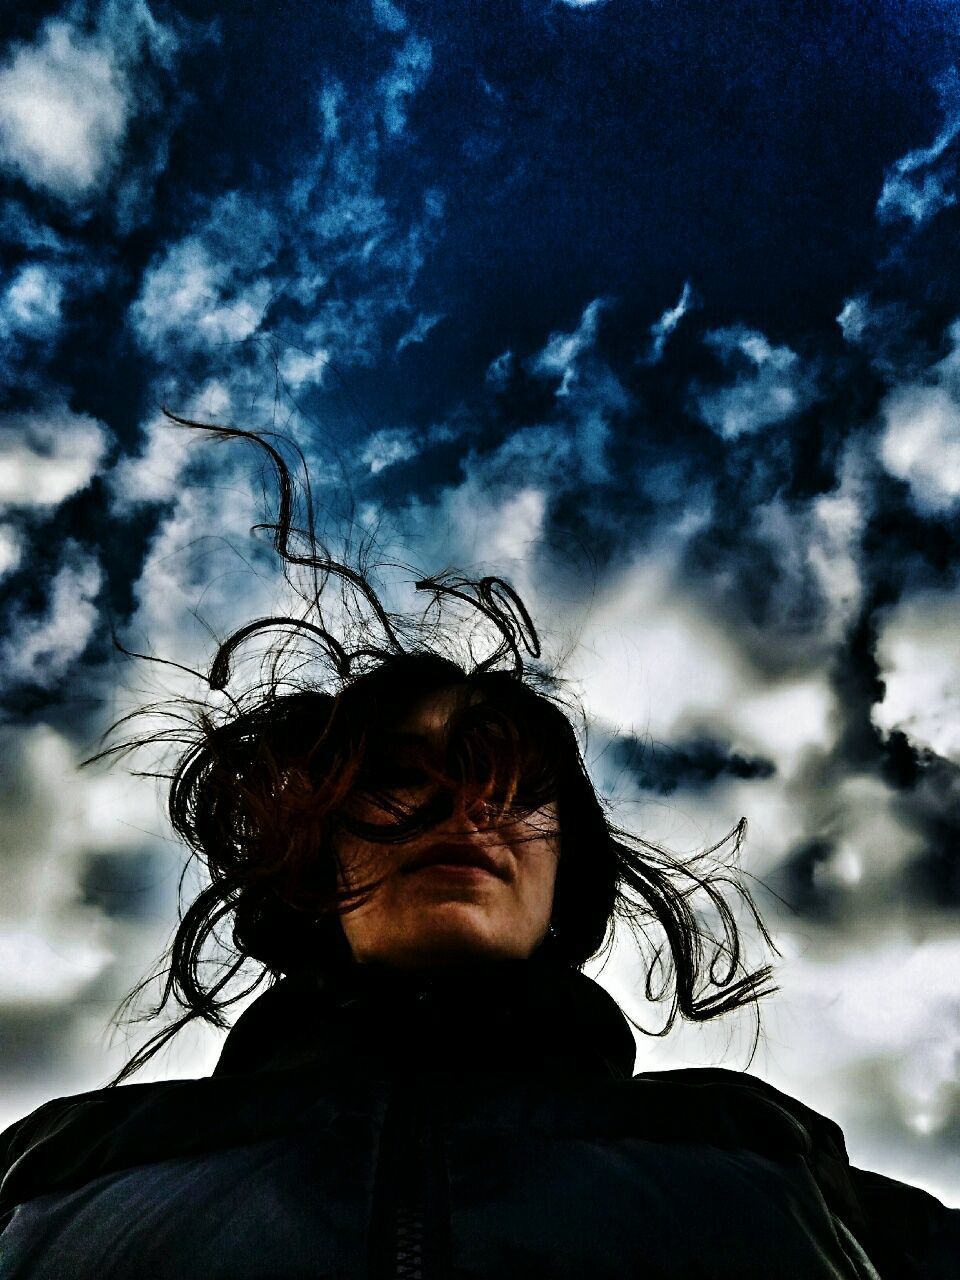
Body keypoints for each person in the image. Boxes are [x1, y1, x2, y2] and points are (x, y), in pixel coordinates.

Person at [1, 420, 958, 1279]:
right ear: (314, 850)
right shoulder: (65, 1169)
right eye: (397, 774)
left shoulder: (781, 1161)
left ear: (563, 866)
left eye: (508, 783)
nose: (463, 810)